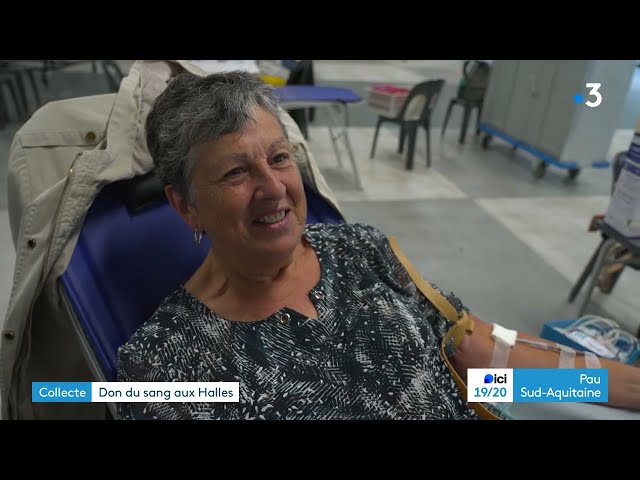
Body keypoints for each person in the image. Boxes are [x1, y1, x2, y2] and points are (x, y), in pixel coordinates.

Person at [116, 70, 640, 420]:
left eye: (278, 158)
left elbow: (480, 359)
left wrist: (630, 389)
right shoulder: (165, 366)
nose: (274, 188)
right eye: (236, 171)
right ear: (185, 205)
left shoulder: (361, 251)